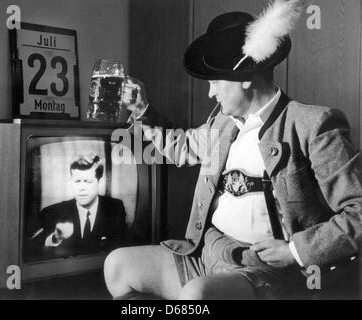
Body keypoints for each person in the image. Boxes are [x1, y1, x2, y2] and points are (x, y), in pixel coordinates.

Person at [104, 0, 362, 300]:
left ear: (247, 78)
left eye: (215, 82)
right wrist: (143, 110)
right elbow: (181, 148)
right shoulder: (222, 123)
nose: (210, 92)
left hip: (267, 271)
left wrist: (294, 251)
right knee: (118, 265)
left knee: (197, 296)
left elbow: (358, 213)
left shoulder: (312, 124)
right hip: (207, 254)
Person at [34, 153, 127, 256]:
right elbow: (35, 253)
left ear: (99, 182)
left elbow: (123, 250)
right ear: (71, 182)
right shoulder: (51, 212)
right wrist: (55, 238)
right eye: (77, 181)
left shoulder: (115, 208)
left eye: (87, 181)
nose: (81, 188)